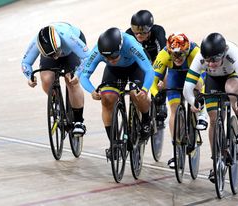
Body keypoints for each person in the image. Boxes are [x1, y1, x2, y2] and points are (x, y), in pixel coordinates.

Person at [183, 32, 238, 182]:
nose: (210, 63)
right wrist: (194, 102)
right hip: (214, 78)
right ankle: (217, 161)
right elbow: (187, 88)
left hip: (234, 73)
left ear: (223, 53)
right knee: (214, 120)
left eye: (214, 59)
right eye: (207, 60)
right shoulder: (200, 57)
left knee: (232, 91)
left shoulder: (233, 54)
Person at [79, 27, 154, 158]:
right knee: (106, 98)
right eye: (106, 58)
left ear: (120, 47)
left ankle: (146, 120)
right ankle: (113, 143)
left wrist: (145, 89)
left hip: (135, 67)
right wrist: (92, 91)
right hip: (114, 71)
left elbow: (149, 70)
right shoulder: (98, 50)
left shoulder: (130, 43)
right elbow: (84, 75)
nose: (110, 59)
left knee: (136, 95)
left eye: (114, 56)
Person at [150, 33, 208, 168]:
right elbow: (152, 80)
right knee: (174, 111)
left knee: (198, 84)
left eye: (181, 54)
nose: (177, 58)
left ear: (187, 51)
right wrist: (155, 94)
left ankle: (201, 115)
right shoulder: (163, 54)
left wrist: (200, 97)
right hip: (175, 76)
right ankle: (176, 152)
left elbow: (205, 77)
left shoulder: (196, 52)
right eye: (174, 54)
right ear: (169, 51)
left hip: (193, 76)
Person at [21, 22, 89, 137]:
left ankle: (78, 121)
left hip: (70, 51)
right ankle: (56, 102)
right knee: (47, 78)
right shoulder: (37, 42)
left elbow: (88, 57)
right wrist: (29, 77)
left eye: (55, 53)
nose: (55, 57)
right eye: (52, 55)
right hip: (51, 48)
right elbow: (25, 63)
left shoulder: (68, 37)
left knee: (71, 80)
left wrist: (78, 74)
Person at [126, 9, 168, 124]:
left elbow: (163, 56)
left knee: (162, 77)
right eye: (136, 30)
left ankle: (161, 103)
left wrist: (160, 78)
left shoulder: (158, 31)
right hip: (140, 61)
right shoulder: (129, 34)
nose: (139, 34)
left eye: (143, 31)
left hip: (156, 58)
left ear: (150, 29)